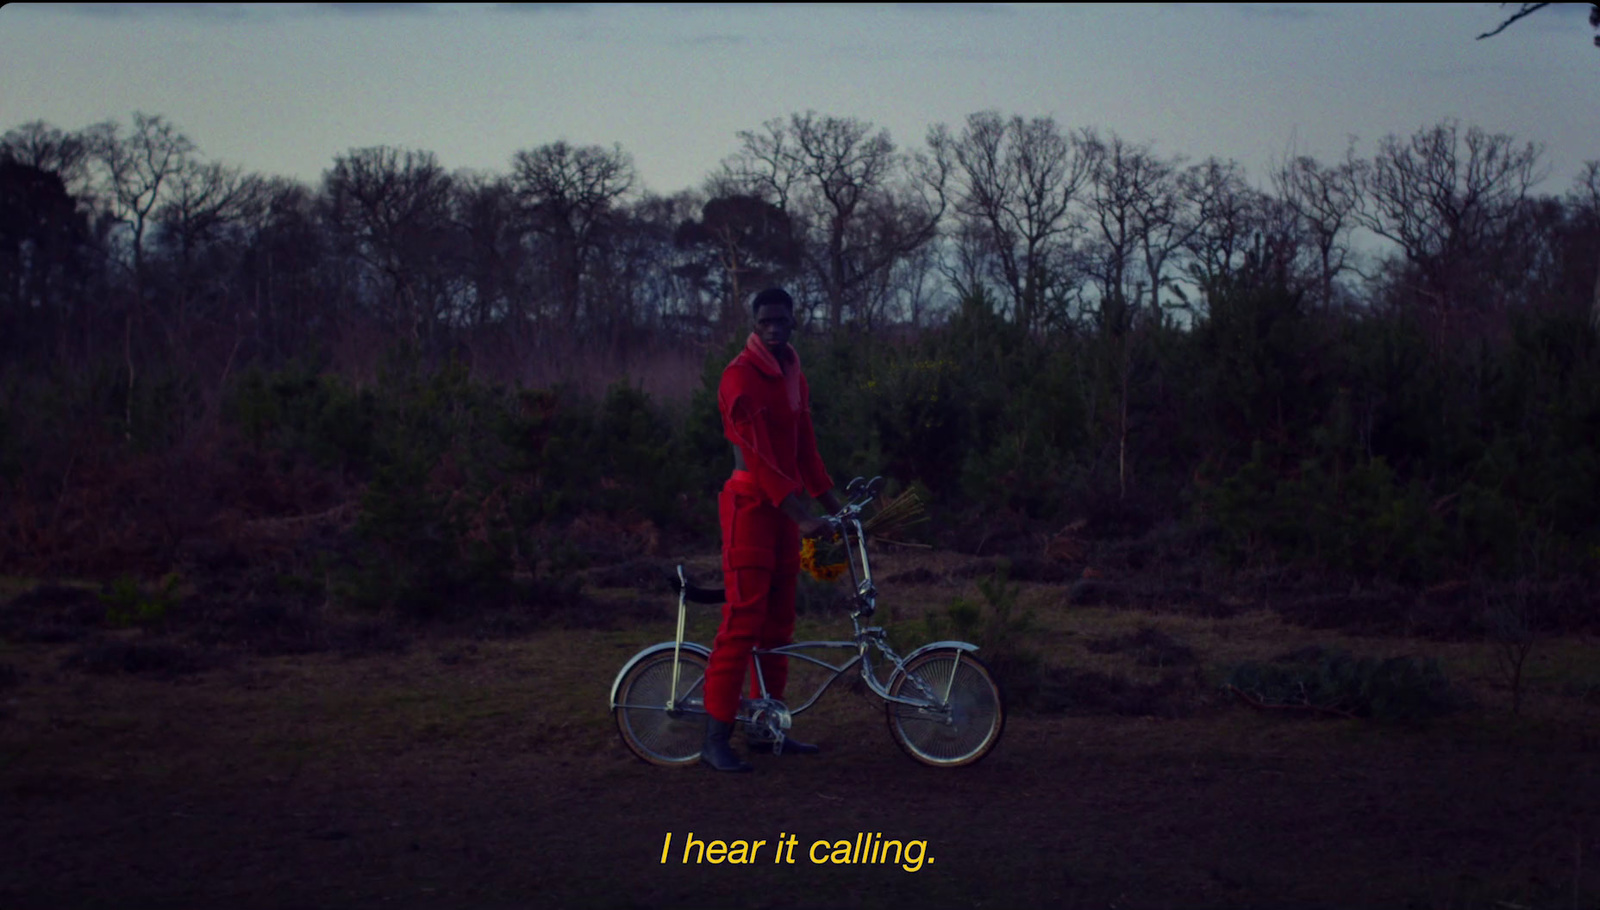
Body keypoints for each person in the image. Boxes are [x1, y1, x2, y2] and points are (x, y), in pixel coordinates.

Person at [702, 287, 842, 773]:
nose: (774, 328)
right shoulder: (739, 378)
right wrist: (805, 516)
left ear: (794, 321)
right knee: (742, 622)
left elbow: (806, 451)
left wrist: (833, 507)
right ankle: (715, 738)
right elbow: (759, 463)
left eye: (782, 320)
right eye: (766, 322)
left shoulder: (792, 374)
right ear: (755, 324)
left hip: (788, 513)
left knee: (779, 626)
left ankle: (766, 729)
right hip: (751, 509)